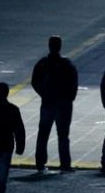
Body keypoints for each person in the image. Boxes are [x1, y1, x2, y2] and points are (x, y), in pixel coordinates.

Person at [31, 35, 78, 174]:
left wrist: (43, 93)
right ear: (60, 46)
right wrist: (70, 98)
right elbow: (74, 83)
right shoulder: (66, 64)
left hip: (47, 103)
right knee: (63, 135)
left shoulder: (43, 63)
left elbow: (34, 81)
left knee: (43, 134)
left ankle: (40, 163)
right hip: (63, 104)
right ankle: (65, 164)